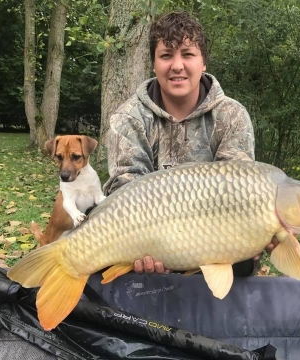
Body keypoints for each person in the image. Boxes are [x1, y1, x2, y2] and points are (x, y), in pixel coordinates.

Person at [103, 11, 275, 276]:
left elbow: (240, 195)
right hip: (146, 236)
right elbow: (125, 191)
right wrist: (158, 245)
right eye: (166, 55)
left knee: (244, 255)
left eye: (187, 54)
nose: (177, 65)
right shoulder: (128, 118)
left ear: (203, 61)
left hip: (218, 238)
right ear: (153, 63)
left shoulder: (231, 116)